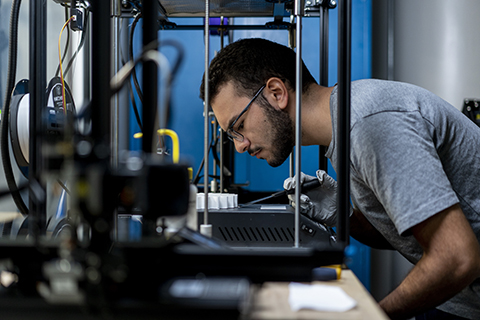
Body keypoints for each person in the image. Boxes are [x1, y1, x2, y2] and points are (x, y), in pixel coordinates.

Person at [199, 38, 480, 320]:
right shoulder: (348, 124)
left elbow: (456, 259)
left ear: (276, 92)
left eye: (238, 127)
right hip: (458, 297)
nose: (240, 146)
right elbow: (412, 236)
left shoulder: (369, 123)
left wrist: (371, 317)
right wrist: (345, 215)